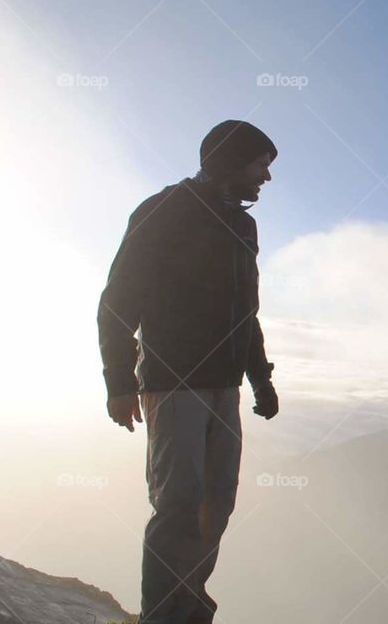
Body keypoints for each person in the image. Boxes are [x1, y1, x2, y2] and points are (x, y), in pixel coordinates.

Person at [97, 120, 280, 623]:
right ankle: (162, 616)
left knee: (215, 505)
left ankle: (188, 608)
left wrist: (260, 377)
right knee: (178, 505)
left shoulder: (243, 225)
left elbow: (247, 308)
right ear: (229, 161)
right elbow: (118, 299)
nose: (265, 177)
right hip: (173, 381)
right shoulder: (163, 212)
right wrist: (119, 382)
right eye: (259, 164)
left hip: (225, 387)